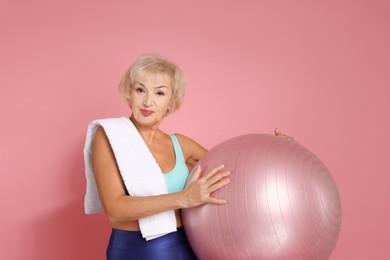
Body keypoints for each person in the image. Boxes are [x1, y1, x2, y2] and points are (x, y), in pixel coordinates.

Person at [85, 53, 294, 259]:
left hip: (188, 249)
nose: (148, 101)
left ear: (171, 101)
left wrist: (277, 153)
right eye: (140, 90)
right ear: (129, 93)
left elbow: (236, 176)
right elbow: (115, 209)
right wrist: (184, 198)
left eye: (159, 93)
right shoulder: (111, 135)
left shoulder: (181, 145)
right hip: (134, 250)